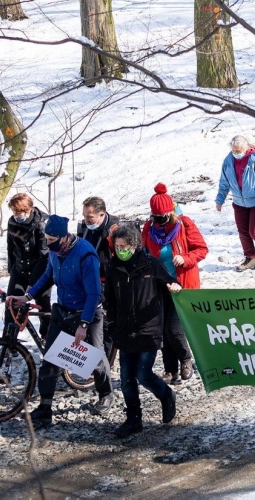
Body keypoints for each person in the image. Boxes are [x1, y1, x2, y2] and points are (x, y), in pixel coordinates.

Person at [8, 214, 114, 425]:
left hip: (87, 313)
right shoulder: (55, 253)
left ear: (64, 238)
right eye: (46, 239)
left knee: (93, 358)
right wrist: (27, 296)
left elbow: (94, 294)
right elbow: (48, 275)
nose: (48, 244)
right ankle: (45, 408)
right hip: (63, 311)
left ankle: (106, 394)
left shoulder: (85, 255)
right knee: (50, 359)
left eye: (51, 241)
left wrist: (84, 325)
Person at [104, 224, 179, 437]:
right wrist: (112, 322)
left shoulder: (151, 265)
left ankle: (166, 395)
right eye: (117, 246)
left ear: (135, 245)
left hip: (148, 328)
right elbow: (109, 296)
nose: (120, 250)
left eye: (124, 246)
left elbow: (171, 283)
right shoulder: (113, 267)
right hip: (124, 331)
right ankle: (134, 419)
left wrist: (173, 286)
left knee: (143, 374)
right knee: (127, 379)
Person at [143, 183, 208, 383]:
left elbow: (201, 249)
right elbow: (144, 252)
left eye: (162, 218)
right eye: (155, 218)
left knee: (174, 328)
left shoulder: (185, 224)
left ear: (170, 213)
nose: (158, 222)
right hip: (160, 285)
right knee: (162, 330)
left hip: (182, 285)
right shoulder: (149, 228)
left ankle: (186, 359)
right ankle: (171, 370)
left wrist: (185, 258)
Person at [216, 136, 255, 270]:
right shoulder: (228, 161)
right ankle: (250, 259)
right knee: (243, 231)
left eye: (239, 150)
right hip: (239, 202)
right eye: (234, 150)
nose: (236, 152)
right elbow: (224, 182)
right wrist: (220, 200)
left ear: (246, 148)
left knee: (254, 231)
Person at [77, 196, 119, 358]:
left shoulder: (114, 230)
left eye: (90, 216)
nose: (86, 220)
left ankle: (104, 364)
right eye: (84, 215)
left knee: (104, 325)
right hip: (87, 281)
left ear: (102, 214)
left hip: (107, 283)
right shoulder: (84, 226)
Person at [5, 193, 50, 337]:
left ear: (29, 209)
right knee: (12, 304)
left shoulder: (42, 223)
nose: (16, 216)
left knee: (43, 304)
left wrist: (32, 284)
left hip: (41, 270)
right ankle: (8, 342)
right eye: (14, 212)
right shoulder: (12, 222)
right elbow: (10, 247)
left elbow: (44, 256)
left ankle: (46, 337)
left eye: (19, 212)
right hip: (20, 269)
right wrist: (12, 269)